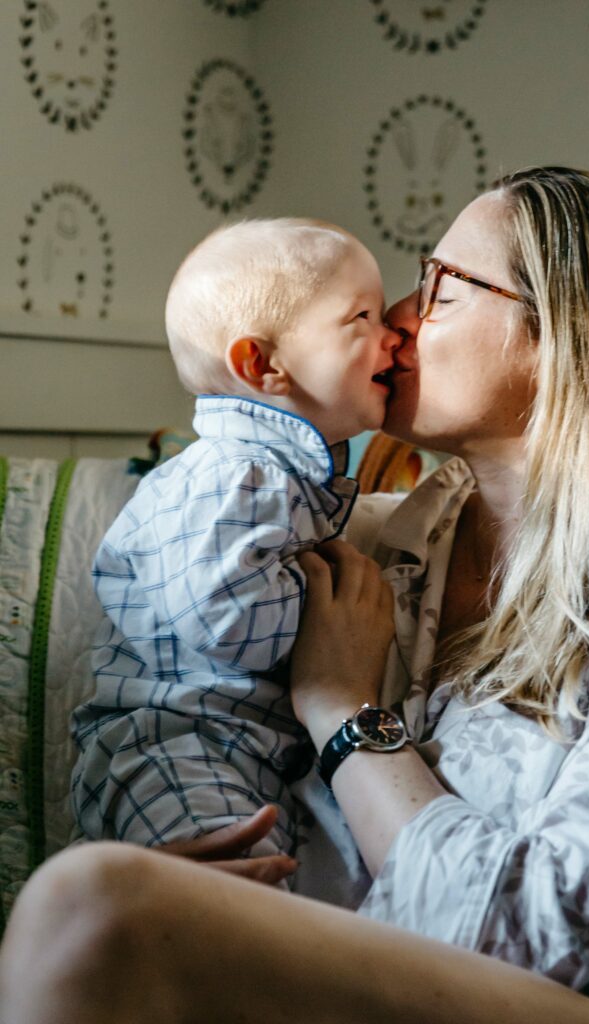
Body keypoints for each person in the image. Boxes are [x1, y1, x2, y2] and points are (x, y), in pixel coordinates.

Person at [0, 167, 589, 1024]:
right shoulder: (340, 548)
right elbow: (155, 687)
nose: (399, 320)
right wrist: (172, 849)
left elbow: (538, 942)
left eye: (442, 286)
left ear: (563, 333)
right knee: (95, 906)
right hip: (321, 988)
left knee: (92, 904)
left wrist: (343, 711)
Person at [70, 218, 399, 864]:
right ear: (263, 364)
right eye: (362, 317)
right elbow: (223, 614)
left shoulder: (278, 471)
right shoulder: (237, 473)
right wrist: (332, 614)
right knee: (220, 889)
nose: (391, 335)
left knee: (266, 885)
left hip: (240, 747)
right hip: (173, 744)